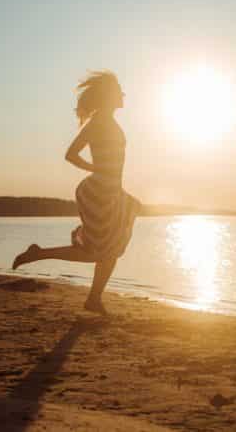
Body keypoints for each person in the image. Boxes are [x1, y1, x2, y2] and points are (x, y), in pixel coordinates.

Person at [12, 71, 141, 315]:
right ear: (108, 96)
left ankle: (93, 298)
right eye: (119, 91)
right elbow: (71, 154)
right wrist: (94, 168)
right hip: (98, 192)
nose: (123, 95)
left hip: (111, 190)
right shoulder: (98, 122)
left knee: (110, 248)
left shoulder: (108, 121)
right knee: (99, 250)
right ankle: (40, 254)